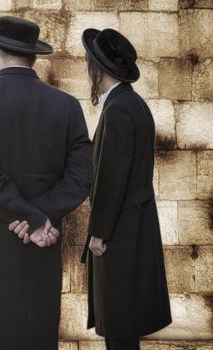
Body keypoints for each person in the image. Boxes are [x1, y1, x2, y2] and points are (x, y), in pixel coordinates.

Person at [0, 16, 93, 350]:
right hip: (40, 245)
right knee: (32, 331)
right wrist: (40, 216)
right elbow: (81, 177)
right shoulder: (67, 106)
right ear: (32, 58)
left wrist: (31, 216)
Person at [80, 28, 172, 350]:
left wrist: (99, 233)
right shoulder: (133, 104)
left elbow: (112, 175)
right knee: (124, 326)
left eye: (88, 63)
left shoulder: (118, 109)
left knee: (119, 326)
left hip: (119, 234)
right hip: (132, 228)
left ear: (97, 69)